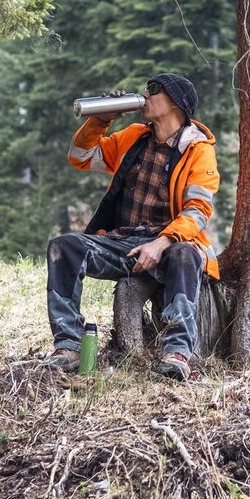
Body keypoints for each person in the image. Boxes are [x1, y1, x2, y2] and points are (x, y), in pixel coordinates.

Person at [44, 73, 220, 380]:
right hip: (124, 244)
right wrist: (100, 121)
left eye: (153, 90)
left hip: (169, 245)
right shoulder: (134, 137)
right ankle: (69, 346)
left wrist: (161, 242)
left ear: (176, 103)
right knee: (65, 247)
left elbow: (198, 210)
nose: (144, 94)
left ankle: (177, 352)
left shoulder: (199, 149)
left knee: (185, 254)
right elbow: (79, 156)